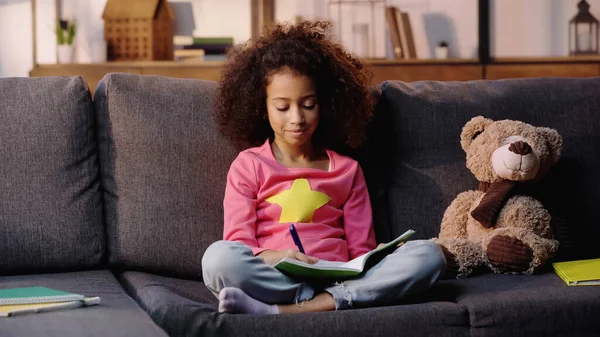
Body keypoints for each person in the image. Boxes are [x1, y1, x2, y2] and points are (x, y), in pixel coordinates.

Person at [202, 21, 446, 315]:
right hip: (278, 273)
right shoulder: (249, 165)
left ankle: (294, 307)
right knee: (217, 258)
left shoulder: (347, 170)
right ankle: (324, 300)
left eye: (308, 104)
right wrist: (274, 255)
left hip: (338, 274)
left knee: (430, 255)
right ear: (261, 107)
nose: (297, 118)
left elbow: (360, 250)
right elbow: (239, 242)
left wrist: (374, 258)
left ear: (325, 104)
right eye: (282, 107)